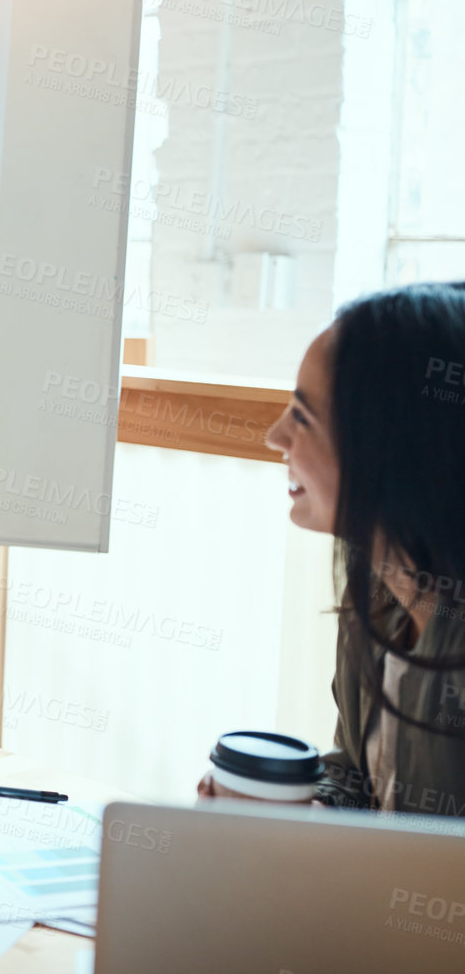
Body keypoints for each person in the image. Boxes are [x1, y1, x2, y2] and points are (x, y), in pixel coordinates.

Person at [197, 283, 465, 814]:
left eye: (301, 417)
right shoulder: (378, 589)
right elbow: (359, 777)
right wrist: (294, 808)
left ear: (388, 444)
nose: (275, 436)